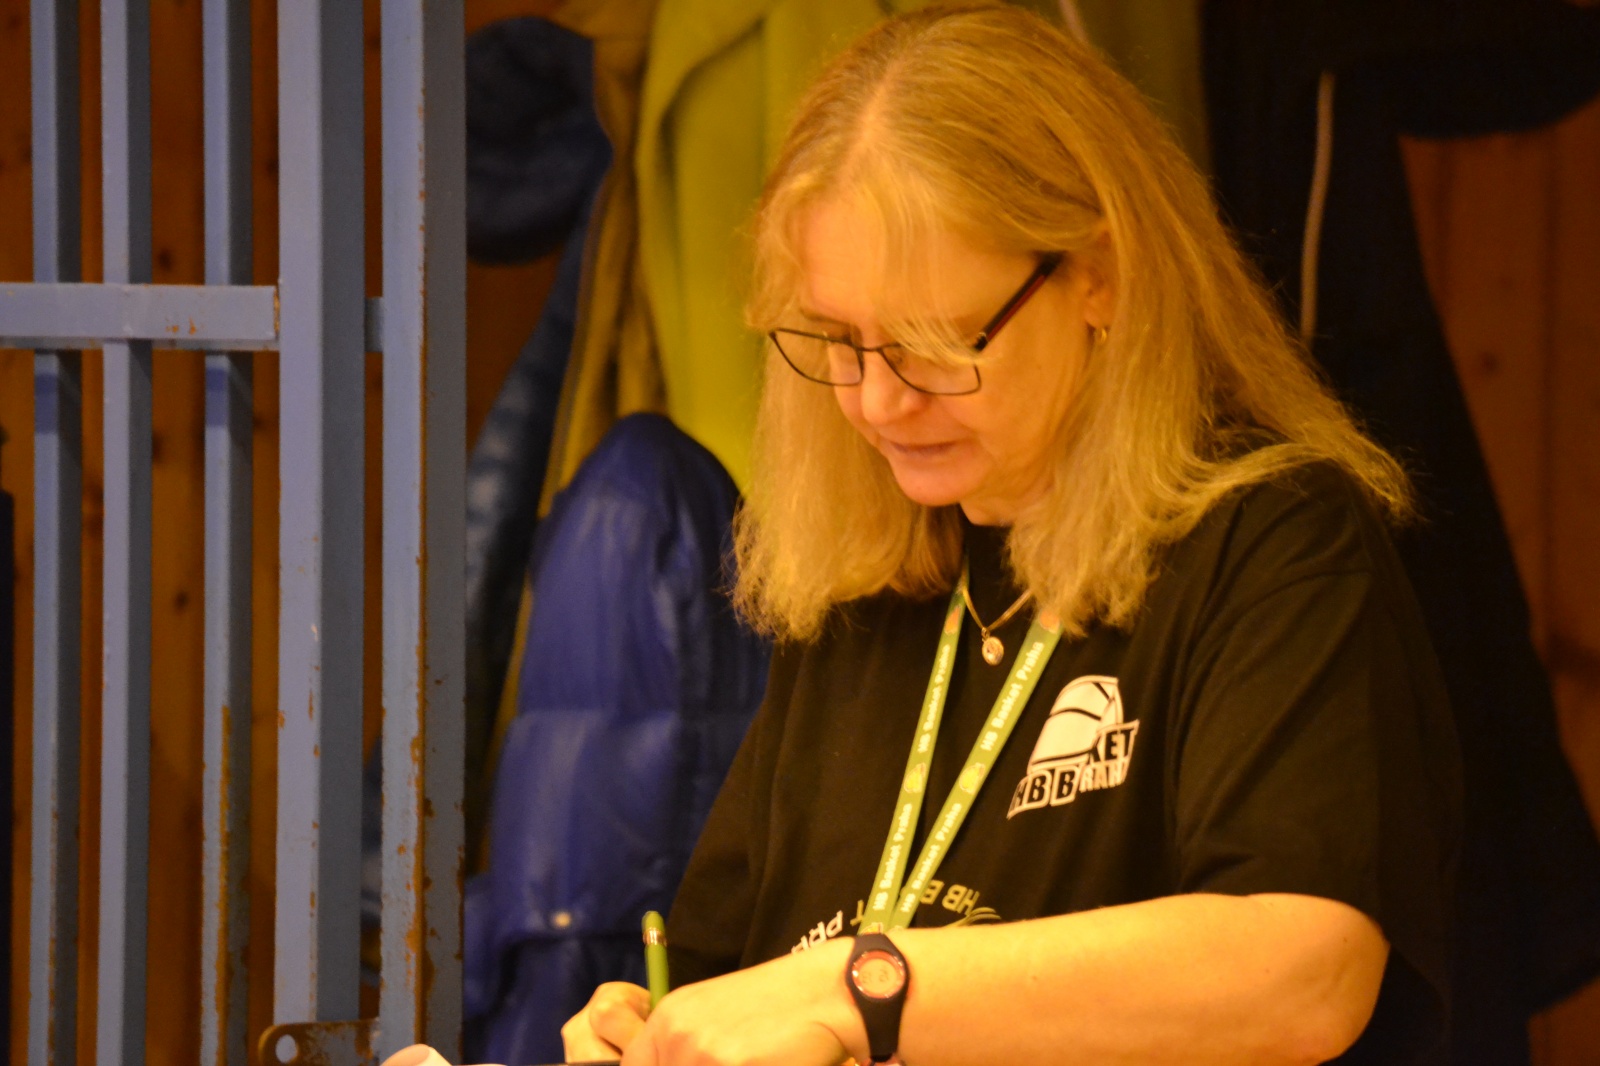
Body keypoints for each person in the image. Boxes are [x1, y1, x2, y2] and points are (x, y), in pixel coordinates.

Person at [551, 4, 1460, 1064]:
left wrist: (864, 986)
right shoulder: (868, 579)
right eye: (840, 340)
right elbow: (733, 986)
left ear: (1099, 275)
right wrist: (653, 1028)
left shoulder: (1275, 543)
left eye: (937, 344)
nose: (879, 403)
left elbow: (1302, 971)